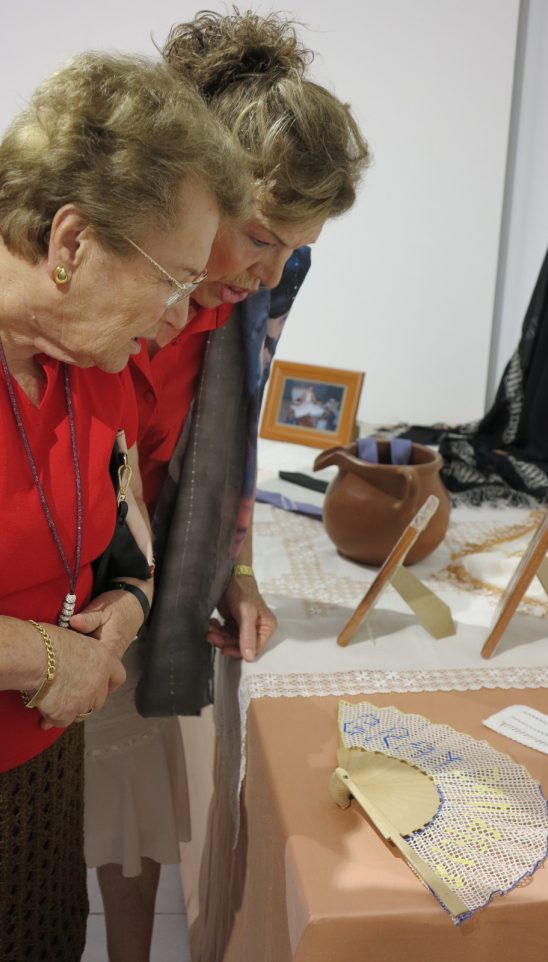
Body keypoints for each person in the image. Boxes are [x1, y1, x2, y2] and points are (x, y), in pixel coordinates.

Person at [83, 11, 369, 962]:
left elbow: (231, 428)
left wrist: (231, 563)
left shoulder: (252, 287)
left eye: (297, 249)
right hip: (62, 546)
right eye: (258, 237)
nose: (271, 273)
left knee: (134, 790)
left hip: (150, 552)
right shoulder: (98, 267)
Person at [0, 50, 251, 962]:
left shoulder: (94, 375)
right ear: (72, 243)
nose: (185, 317)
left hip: (37, 789)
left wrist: (127, 613)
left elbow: (128, 541)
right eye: (173, 279)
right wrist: (39, 652)